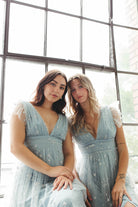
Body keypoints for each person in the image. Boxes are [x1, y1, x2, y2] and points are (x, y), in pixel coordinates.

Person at [9, 70, 87, 207]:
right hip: (30, 180)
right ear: (43, 85)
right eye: (53, 84)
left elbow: (69, 153)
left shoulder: (64, 120)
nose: (56, 90)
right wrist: (49, 169)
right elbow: (16, 147)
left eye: (62, 87)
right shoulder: (23, 108)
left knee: (70, 199)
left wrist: (65, 174)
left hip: (58, 179)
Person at [67, 73, 138, 207]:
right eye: (73, 90)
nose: (77, 92)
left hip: (116, 176)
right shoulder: (71, 123)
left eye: (80, 86)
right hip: (89, 181)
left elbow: (123, 148)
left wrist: (121, 181)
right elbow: (69, 157)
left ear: (88, 87)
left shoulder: (111, 112)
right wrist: (79, 184)